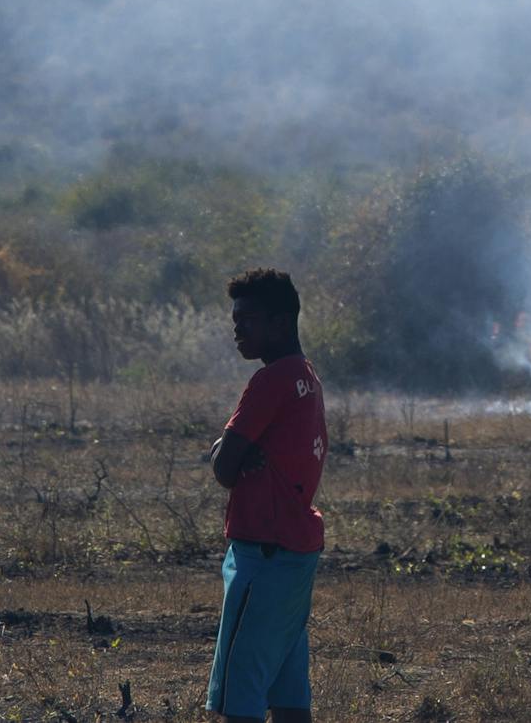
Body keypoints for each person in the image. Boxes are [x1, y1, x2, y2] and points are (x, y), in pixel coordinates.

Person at [203, 269, 327, 723]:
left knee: (242, 691)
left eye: (247, 319)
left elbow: (223, 469)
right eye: (235, 319)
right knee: (288, 688)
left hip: (262, 556)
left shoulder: (270, 381)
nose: (237, 329)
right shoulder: (306, 376)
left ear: (280, 323)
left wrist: (224, 447)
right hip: (295, 554)